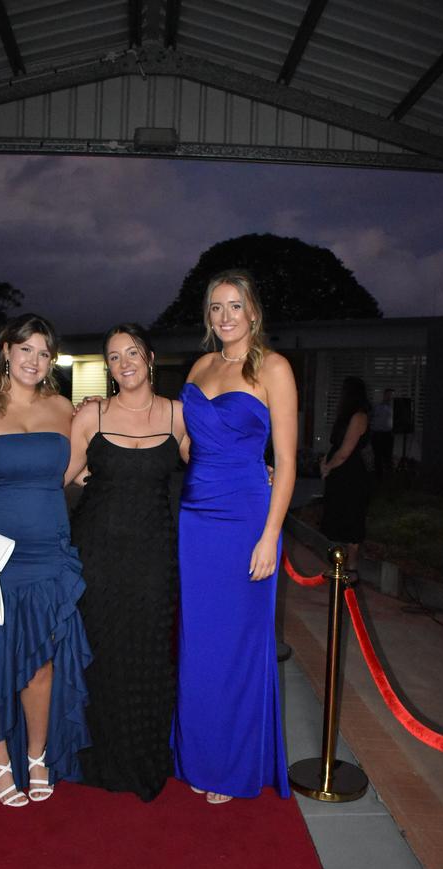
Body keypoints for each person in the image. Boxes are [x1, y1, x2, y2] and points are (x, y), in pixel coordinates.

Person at [0, 315, 91, 806]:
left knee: (41, 661)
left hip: (48, 547)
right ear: (6, 351)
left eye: (45, 353)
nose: (35, 360)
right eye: (26, 349)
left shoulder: (64, 407)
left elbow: (77, 470)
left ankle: (37, 755)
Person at [172, 270, 297, 805]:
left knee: (240, 644)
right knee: (199, 642)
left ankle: (231, 764)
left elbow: (288, 462)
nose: (225, 317)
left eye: (234, 306)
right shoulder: (200, 366)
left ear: (253, 312)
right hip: (196, 517)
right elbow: (184, 443)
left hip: (247, 519)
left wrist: (270, 533)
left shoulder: (273, 368)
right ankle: (198, 754)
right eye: (216, 308)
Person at [65, 324, 188, 801]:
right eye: (114, 357)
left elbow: (210, 464)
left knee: (149, 654)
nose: (124, 363)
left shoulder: (178, 415)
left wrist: (257, 470)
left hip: (154, 556)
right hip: (95, 553)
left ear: (151, 357)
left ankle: (143, 759)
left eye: (132, 352)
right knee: (101, 653)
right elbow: (62, 476)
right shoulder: (91, 415)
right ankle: (98, 758)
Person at [320, 376, 370, 578]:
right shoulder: (346, 416)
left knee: (351, 521)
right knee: (338, 519)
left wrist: (329, 467)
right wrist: (325, 463)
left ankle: (351, 569)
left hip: (350, 476)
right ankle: (338, 567)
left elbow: (345, 451)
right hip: (340, 475)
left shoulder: (359, 417)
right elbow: (336, 446)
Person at [370, 387, 394, 480]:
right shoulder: (376, 407)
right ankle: (378, 477)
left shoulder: (392, 408)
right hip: (377, 435)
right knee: (378, 456)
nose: (389, 397)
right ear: (384, 395)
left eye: (390, 395)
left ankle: (388, 478)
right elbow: (370, 418)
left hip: (388, 434)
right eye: (387, 394)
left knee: (388, 456)